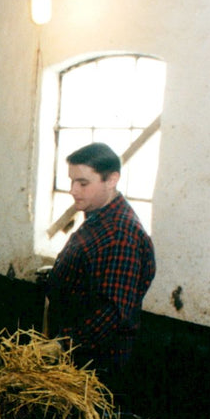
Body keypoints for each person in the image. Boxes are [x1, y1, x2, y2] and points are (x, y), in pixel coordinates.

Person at [45, 142, 155, 395]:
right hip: (79, 354)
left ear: (111, 179)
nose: (73, 190)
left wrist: (63, 345)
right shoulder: (99, 217)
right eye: (72, 181)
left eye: (83, 183)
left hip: (95, 365)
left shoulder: (120, 234)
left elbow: (114, 311)